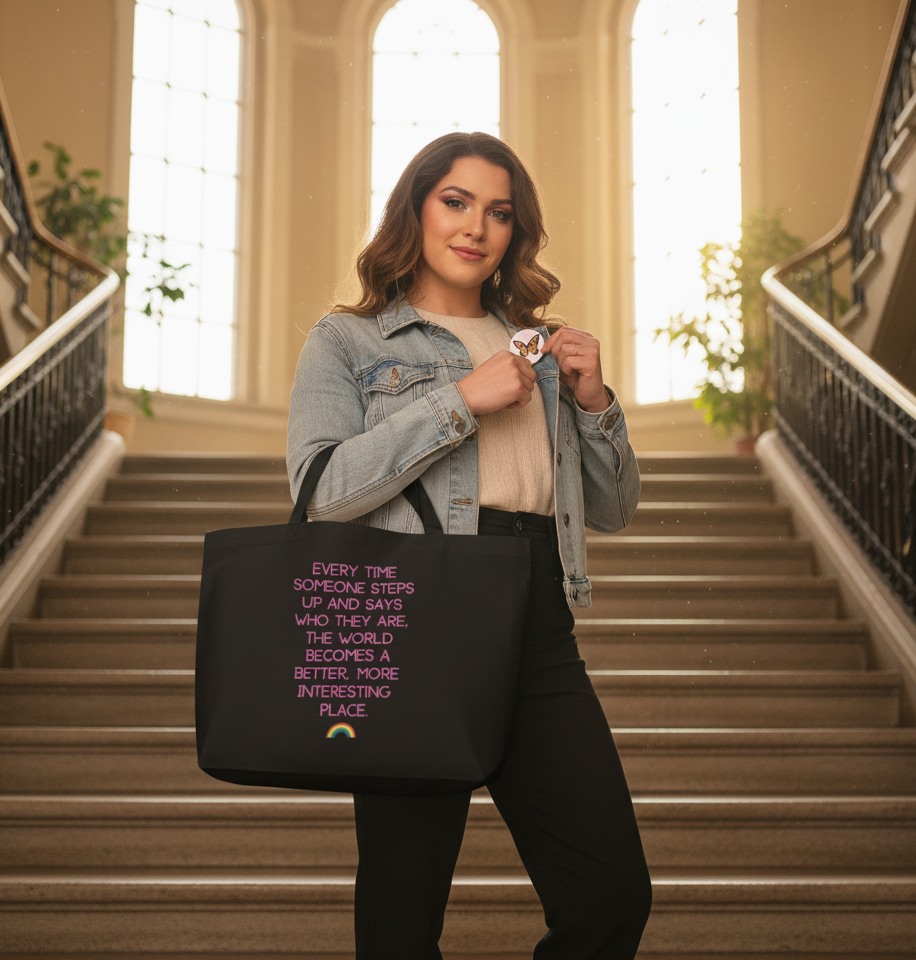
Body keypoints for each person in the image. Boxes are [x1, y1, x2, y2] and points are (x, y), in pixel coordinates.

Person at [287, 131, 651, 959]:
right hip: (416, 620)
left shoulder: (541, 351)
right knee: (402, 918)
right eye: (455, 201)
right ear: (414, 209)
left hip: (537, 621)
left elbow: (616, 508)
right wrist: (459, 400)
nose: (476, 227)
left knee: (612, 894)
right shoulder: (348, 342)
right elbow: (324, 494)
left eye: (499, 212)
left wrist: (593, 402)